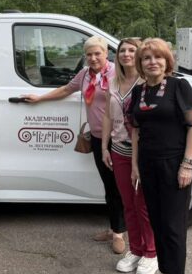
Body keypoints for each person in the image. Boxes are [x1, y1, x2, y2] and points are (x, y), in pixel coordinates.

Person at [22, 35, 126, 254]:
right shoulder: (85, 75)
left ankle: (119, 233)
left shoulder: (117, 72)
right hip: (98, 138)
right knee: (109, 185)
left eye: (97, 53)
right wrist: (40, 98)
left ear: (106, 53)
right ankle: (114, 228)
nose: (93, 58)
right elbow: (66, 90)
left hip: (118, 137)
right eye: (89, 54)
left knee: (118, 186)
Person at [129, 38, 192, 274]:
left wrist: (187, 165)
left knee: (173, 225)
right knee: (157, 222)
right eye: (147, 58)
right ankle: (165, 271)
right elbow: (136, 131)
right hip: (148, 164)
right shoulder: (139, 92)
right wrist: (135, 165)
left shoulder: (179, 87)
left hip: (173, 165)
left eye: (158, 57)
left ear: (167, 60)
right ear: (140, 63)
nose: (153, 62)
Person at [101, 38, 158, 274]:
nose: (126, 54)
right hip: (119, 151)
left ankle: (151, 253)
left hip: (143, 153)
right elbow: (107, 116)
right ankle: (135, 250)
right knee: (128, 204)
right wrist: (104, 146)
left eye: (131, 50)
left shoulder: (147, 82)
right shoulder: (112, 82)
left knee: (143, 205)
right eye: (122, 50)